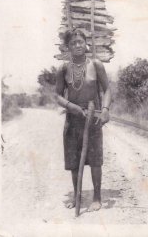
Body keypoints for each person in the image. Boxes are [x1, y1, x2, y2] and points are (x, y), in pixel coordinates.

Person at [56, 28, 111, 212]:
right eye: (73, 43)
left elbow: (107, 90)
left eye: (80, 42)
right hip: (73, 120)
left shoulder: (96, 65)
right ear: (68, 47)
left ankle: (97, 197)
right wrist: (72, 107)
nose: (78, 45)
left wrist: (104, 110)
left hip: (93, 119)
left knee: (95, 160)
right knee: (73, 161)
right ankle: (77, 195)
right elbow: (57, 96)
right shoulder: (63, 68)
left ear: (86, 43)